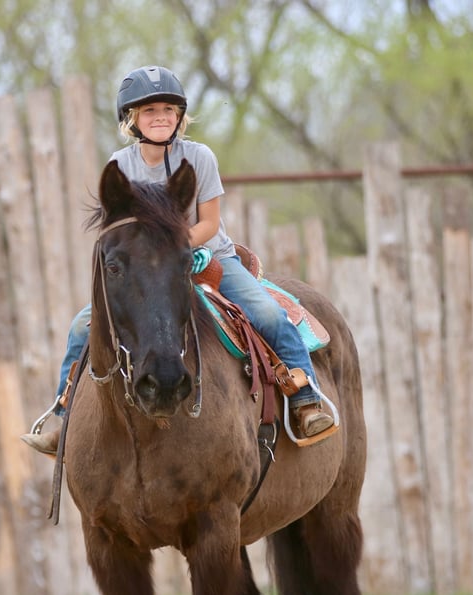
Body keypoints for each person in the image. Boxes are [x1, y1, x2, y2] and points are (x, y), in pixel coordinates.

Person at [21, 65, 334, 455]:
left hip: (209, 256)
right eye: (150, 111)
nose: (161, 117)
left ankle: (306, 397)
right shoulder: (120, 165)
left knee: (267, 313)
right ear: (132, 119)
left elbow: (210, 222)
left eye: (169, 110)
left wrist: (182, 247)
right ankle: (64, 415)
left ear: (180, 116)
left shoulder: (199, 157)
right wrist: (159, 256)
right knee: (81, 327)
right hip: (150, 270)